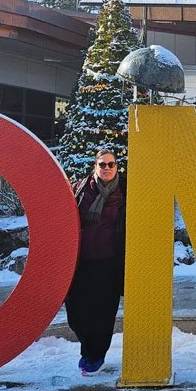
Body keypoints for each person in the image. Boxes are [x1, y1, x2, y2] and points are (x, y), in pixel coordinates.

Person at [66, 148, 127, 374]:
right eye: (102, 164)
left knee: (103, 313)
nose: (107, 168)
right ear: (95, 166)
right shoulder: (81, 189)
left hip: (109, 263)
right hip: (81, 262)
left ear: (117, 167)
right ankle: (87, 347)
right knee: (76, 311)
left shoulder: (124, 192)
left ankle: (95, 355)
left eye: (111, 164)